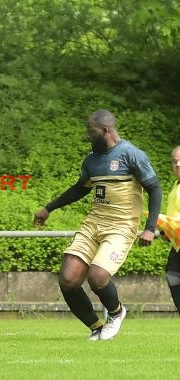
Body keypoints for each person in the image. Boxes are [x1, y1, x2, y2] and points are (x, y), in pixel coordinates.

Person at [34, 109, 162, 341]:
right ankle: (96, 327)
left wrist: (150, 227)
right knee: (68, 280)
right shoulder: (92, 160)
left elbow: (155, 189)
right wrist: (49, 207)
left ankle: (116, 313)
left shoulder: (132, 154)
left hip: (121, 227)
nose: (87, 136)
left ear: (105, 131)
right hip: (93, 224)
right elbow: (79, 189)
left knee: (98, 277)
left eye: (90, 132)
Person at [162, 146, 180, 314]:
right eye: (175, 162)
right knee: (172, 276)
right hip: (177, 244)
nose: (178, 165)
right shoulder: (176, 185)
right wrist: (166, 230)